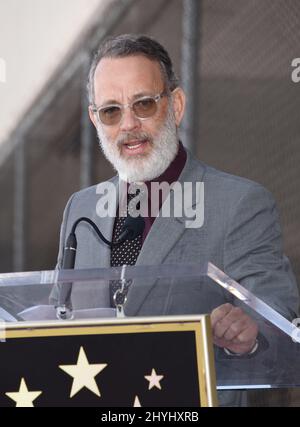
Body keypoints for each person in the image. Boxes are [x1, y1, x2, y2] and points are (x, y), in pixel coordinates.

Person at [50, 34, 299, 405]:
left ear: (176, 105)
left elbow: (276, 312)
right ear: (95, 119)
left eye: (144, 104)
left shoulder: (239, 203)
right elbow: (54, 313)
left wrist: (248, 332)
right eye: (111, 111)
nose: (128, 124)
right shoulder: (81, 208)